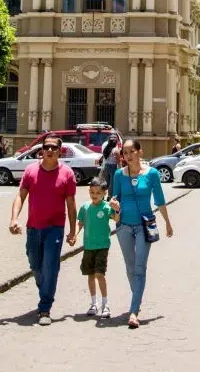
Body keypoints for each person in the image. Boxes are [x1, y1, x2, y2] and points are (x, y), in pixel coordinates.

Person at [9, 135, 78, 326]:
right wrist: (14, 218)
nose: (49, 150)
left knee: (50, 267)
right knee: (35, 265)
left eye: (53, 148)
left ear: (60, 151)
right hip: (33, 228)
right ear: (41, 150)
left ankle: (45, 307)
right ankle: (45, 289)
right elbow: (21, 196)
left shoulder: (67, 174)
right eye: (46, 147)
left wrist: (72, 232)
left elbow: (71, 205)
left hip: (55, 229)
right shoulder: (31, 171)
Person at [109, 138, 173, 329]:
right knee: (130, 267)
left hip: (144, 226)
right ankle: (137, 296)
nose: (128, 156)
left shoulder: (152, 174)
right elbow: (115, 198)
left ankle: (134, 310)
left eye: (131, 152)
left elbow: (160, 199)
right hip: (123, 227)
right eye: (125, 153)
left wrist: (168, 223)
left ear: (140, 152)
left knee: (140, 267)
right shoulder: (120, 175)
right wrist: (114, 206)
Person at [77, 177, 117, 319]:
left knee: (100, 274)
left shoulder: (106, 207)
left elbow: (117, 219)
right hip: (88, 246)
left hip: (102, 245)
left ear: (104, 194)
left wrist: (117, 209)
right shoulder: (85, 207)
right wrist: (74, 235)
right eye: (92, 192)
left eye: (98, 193)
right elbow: (80, 223)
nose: (94, 195)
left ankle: (105, 304)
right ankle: (94, 303)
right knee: (90, 275)